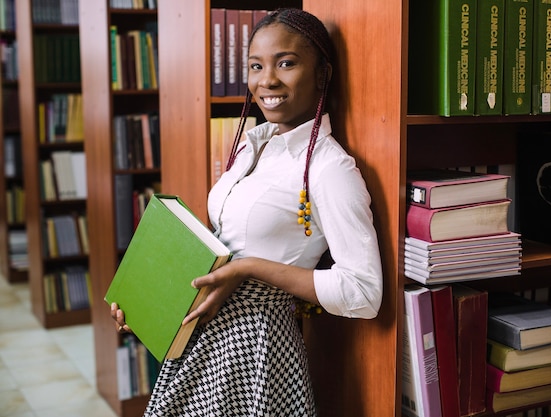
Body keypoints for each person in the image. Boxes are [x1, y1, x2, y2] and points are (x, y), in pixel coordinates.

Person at [111, 8, 383, 416]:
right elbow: (225, 246)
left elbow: (364, 293)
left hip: (257, 352)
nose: (267, 80)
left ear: (322, 74)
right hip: (201, 340)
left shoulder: (330, 169)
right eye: (256, 66)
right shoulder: (252, 145)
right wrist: (152, 299)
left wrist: (250, 268)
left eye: (286, 63)